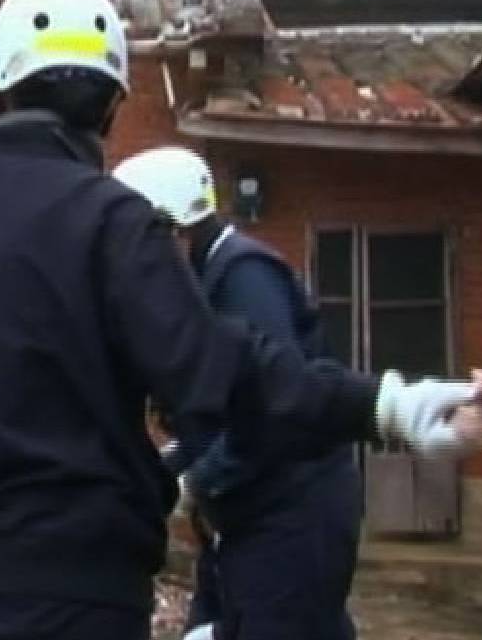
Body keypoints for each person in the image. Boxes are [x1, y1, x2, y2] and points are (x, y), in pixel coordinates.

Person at [0, 0, 477, 640]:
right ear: (111, 107)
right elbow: (217, 372)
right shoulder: (113, 222)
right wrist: (377, 404)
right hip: (84, 597)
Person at [114, 146, 363, 640]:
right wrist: (172, 463)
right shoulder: (208, 279)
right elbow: (221, 407)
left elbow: (274, 407)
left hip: (293, 509)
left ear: (175, 230)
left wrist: (200, 478)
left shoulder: (242, 276)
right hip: (248, 511)